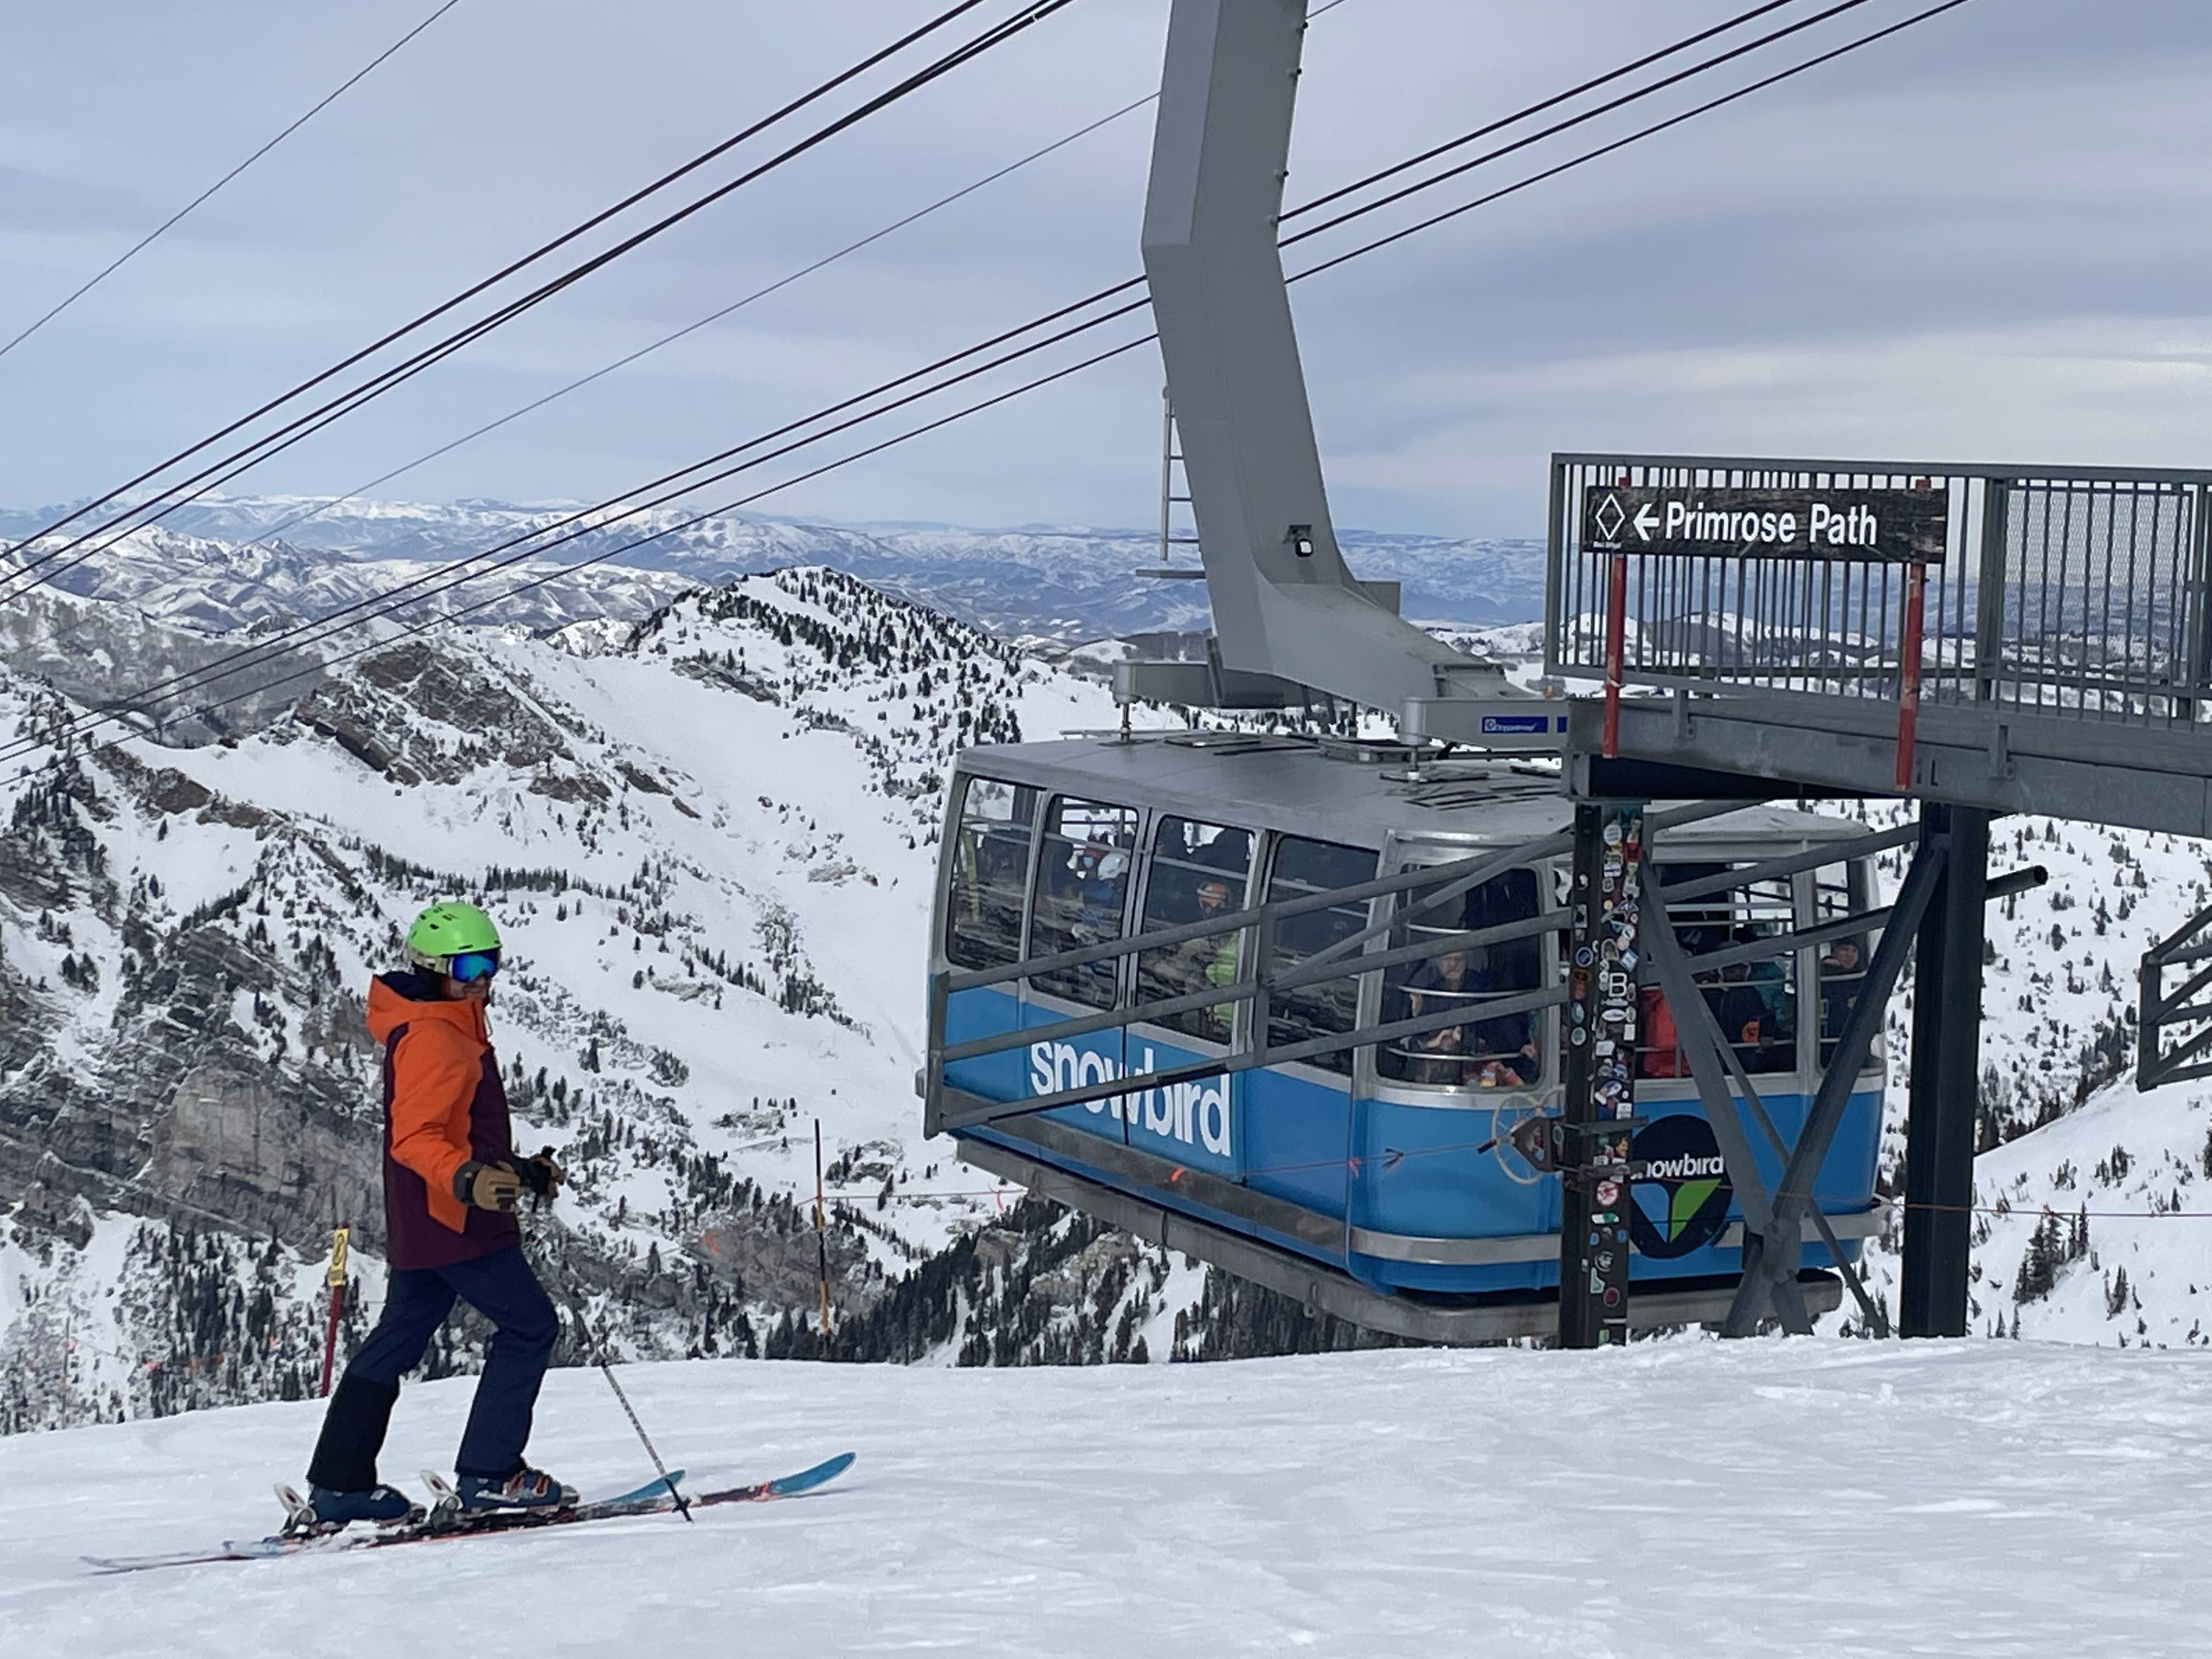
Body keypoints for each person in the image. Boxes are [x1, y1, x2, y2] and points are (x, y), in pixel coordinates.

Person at [301, 901, 572, 1527]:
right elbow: (414, 1137)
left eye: (491, 963)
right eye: (468, 966)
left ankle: (339, 1485)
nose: (482, 979)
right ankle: (490, 1473)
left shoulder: (449, 1021)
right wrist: (470, 1180)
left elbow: (455, 1131)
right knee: (530, 1326)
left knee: (397, 1340)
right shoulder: (434, 1033)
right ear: (430, 968)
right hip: (455, 1219)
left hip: (428, 1216)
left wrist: (520, 1171)